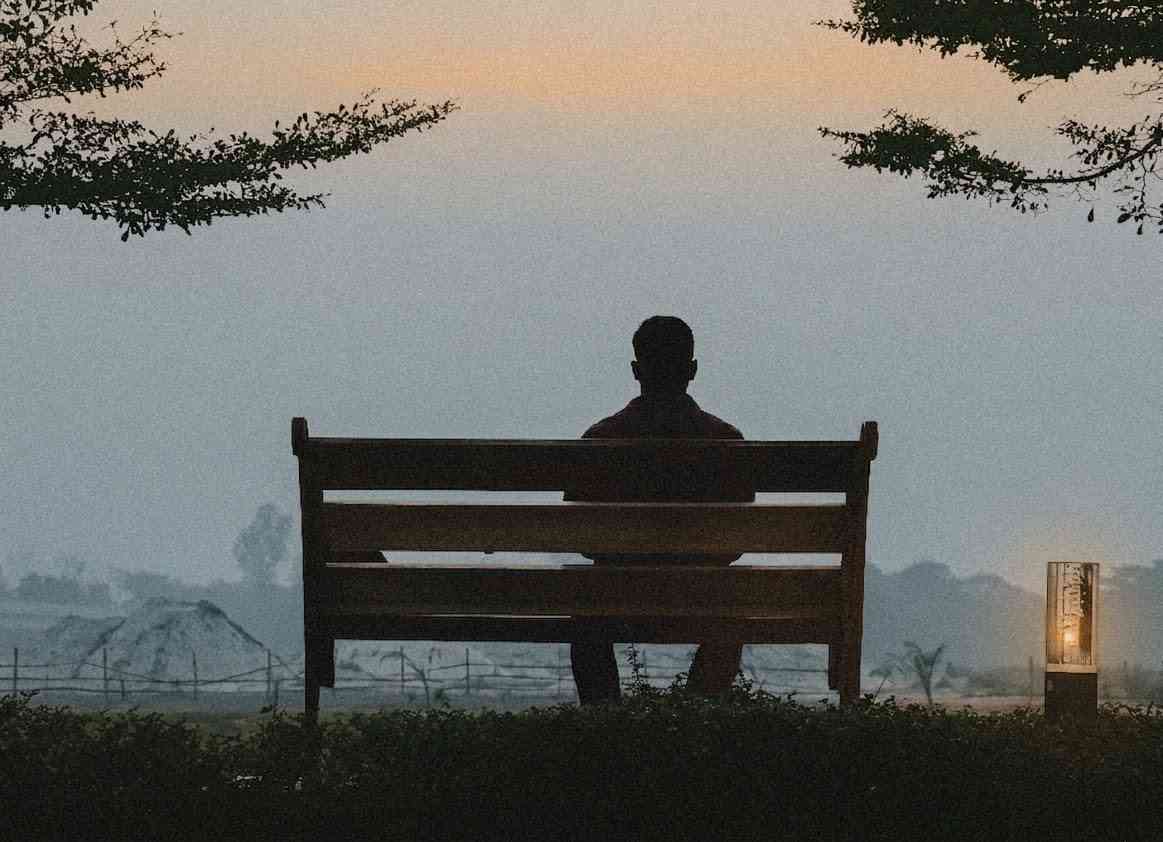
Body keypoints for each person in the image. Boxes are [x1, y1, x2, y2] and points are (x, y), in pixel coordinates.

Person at [566, 315, 754, 704]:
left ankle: (605, 725)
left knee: (585, 620)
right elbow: (736, 542)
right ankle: (693, 716)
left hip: (616, 597)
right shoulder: (726, 442)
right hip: (701, 595)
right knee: (731, 618)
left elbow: (580, 537)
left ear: (636, 370)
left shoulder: (601, 440)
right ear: (693, 370)